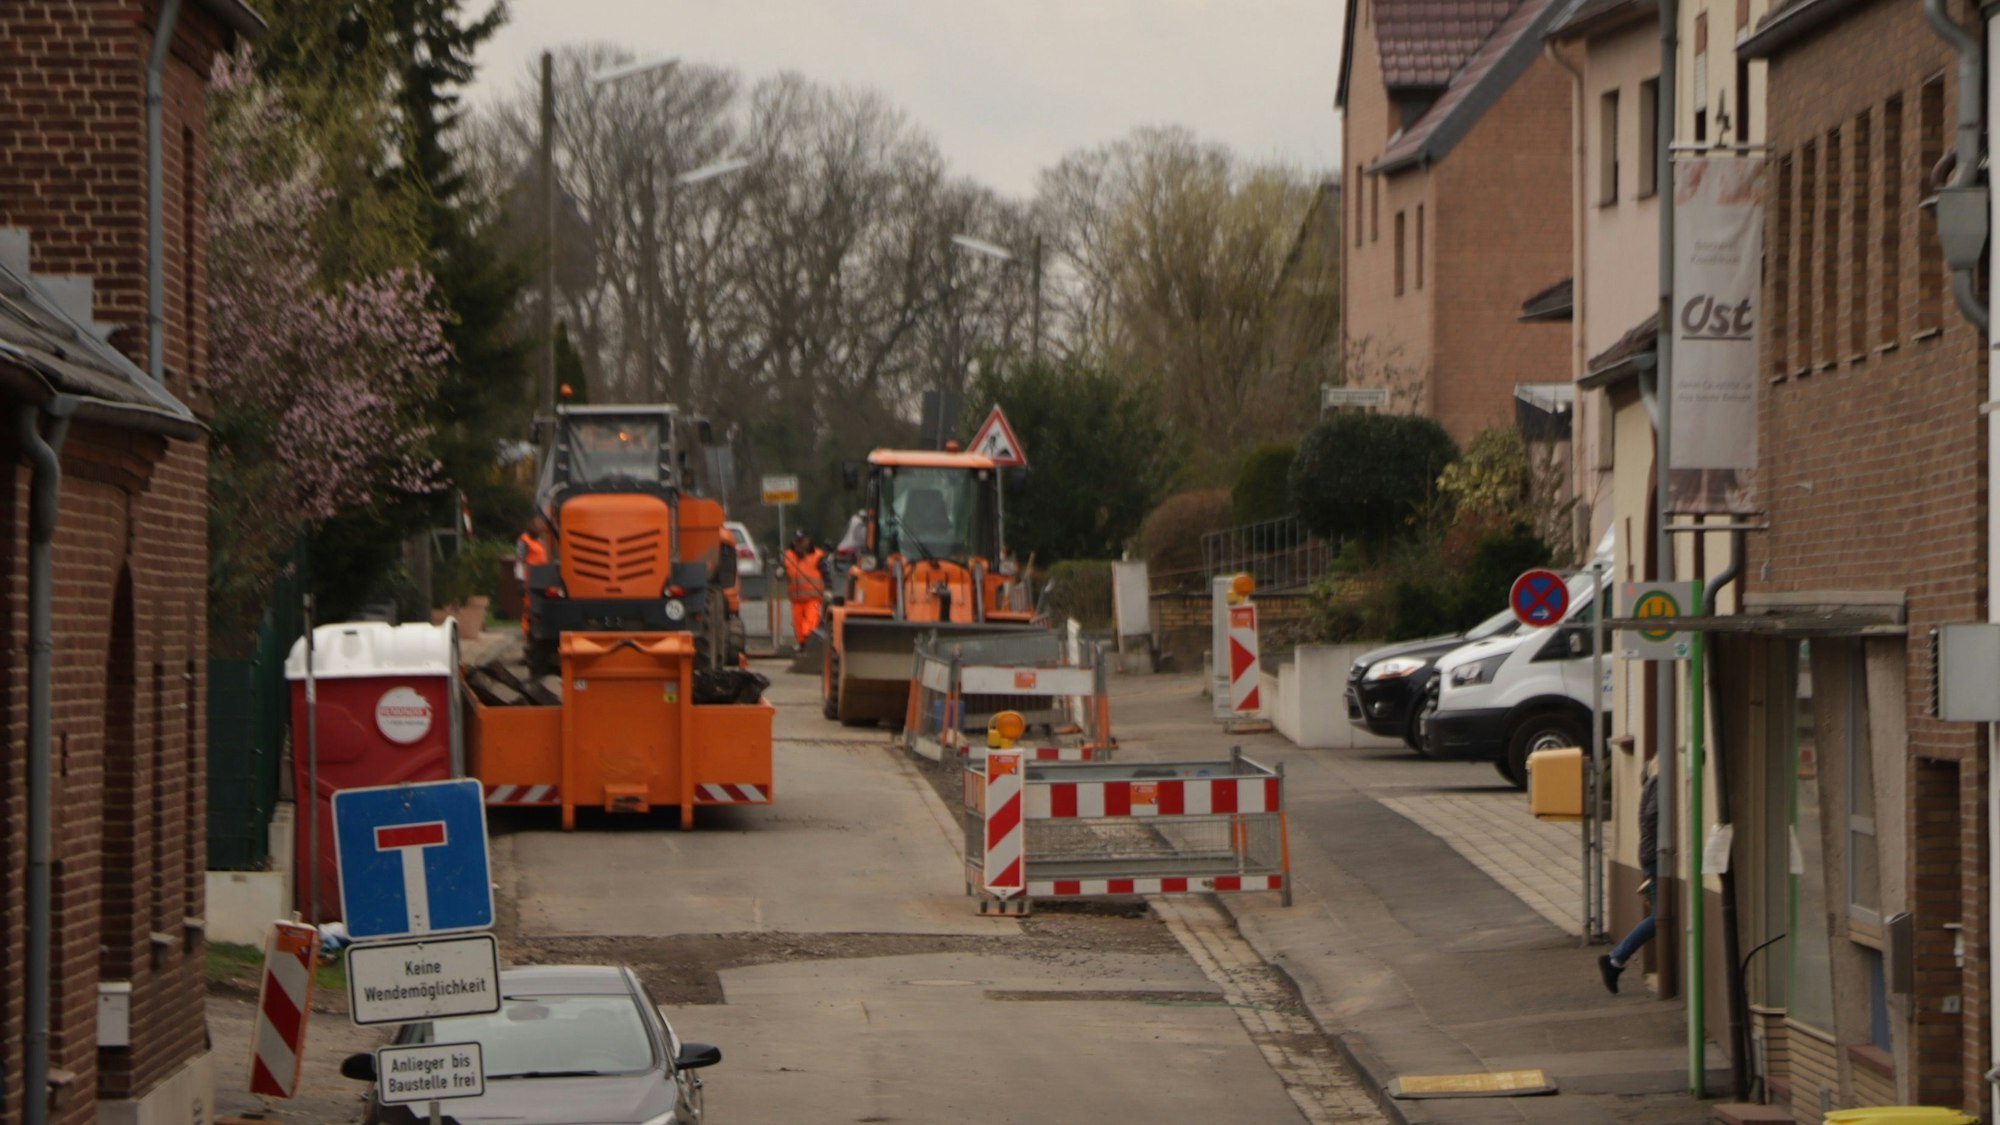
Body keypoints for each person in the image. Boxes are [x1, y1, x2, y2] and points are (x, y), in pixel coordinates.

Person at [1599, 753, 1659, 994]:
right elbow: (1654, 818)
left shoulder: (1653, 779)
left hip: (1652, 853)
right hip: (1657, 855)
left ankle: (1615, 960)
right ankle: (1615, 959)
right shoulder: (1659, 781)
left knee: (1660, 914)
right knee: (1660, 915)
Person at [783, 529, 826, 645]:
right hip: (796, 600)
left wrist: (829, 590)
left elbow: (827, 575)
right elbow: (783, 570)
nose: (799, 544)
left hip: (813, 599)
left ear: (808, 541)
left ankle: (809, 645)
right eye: (796, 541)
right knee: (798, 628)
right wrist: (780, 572)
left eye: (801, 541)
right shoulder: (788, 556)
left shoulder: (817, 556)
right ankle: (802, 646)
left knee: (809, 626)